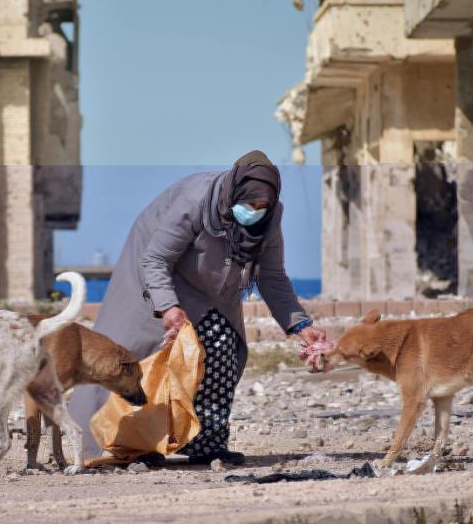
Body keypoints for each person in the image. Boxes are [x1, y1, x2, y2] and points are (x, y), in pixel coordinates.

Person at [69, 150, 326, 464]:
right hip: (155, 273)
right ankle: (119, 445)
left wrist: (300, 325)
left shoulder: (271, 215)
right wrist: (168, 306)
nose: (256, 212)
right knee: (133, 359)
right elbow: (157, 258)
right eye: (250, 205)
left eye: (263, 206)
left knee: (221, 350)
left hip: (216, 284)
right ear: (234, 192)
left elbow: (271, 275)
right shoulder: (194, 201)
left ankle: (207, 445)